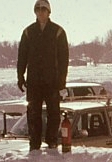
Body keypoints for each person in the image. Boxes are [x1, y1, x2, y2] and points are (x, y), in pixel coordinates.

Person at [17, 0, 70, 151]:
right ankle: (34, 144)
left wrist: (62, 81)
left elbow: (63, 59)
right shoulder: (28, 32)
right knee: (33, 114)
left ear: (49, 12)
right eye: (38, 9)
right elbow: (22, 56)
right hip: (33, 82)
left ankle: (52, 141)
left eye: (43, 9)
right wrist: (20, 76)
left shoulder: (58, 31)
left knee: (54, 113)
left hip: (51, 81)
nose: (40, 12)